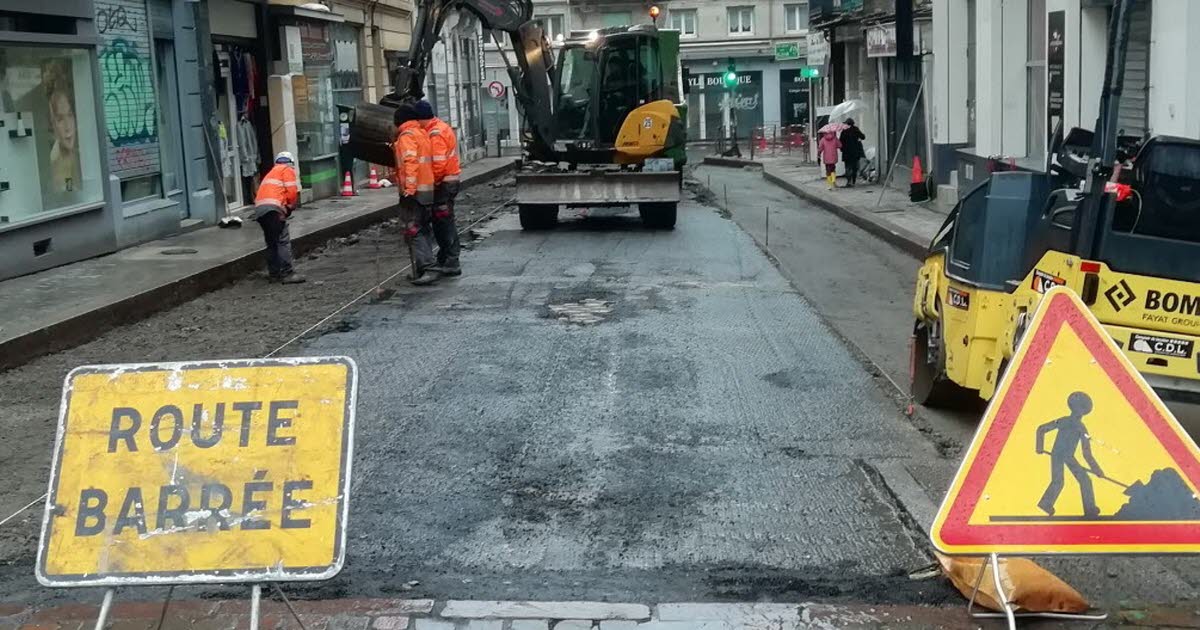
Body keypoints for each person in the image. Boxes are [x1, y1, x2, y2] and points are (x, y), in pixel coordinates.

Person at [1036, 392, 1104, 518]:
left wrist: (1097, 470)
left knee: (1085, 480)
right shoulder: (1064, 421)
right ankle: (1045, 503)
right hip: (1057, 454)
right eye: (1078, 407)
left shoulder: (1081, 428)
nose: (1079, 411)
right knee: (1058, 481)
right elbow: (1041, 429)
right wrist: (1039, 447)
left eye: (1082, 408)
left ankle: (1090, 510)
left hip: (1069, 457)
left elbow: (1086, 452)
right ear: (1072, 407)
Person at [414, 100, 462, 277]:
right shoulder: (440, 127)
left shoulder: (435, 133)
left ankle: (451, 261)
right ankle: (445, 258)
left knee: (444, 222)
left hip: (443, 183)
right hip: (448, 182)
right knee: (442, 221)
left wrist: (430, 183)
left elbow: (438, 163)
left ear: (421, 118)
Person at [393, 103, 437, 285]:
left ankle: (427, 267)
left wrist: (409, 190)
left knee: (414, 229)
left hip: (415, 192)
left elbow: (410, 163)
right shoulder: (422, 133)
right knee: (423, 228)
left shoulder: (407, 136)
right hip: (427, 190)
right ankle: (423, 268)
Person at [253, 152, 305, 284]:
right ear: (291, 163)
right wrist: (290, 206)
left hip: (260, 210)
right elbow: (292, 192)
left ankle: (274, 273)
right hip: (274, 209)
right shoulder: (287, 170)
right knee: (282, 240)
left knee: (271, 242)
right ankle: (288, 273)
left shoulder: (271, 173)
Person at [839, 119, 866, 188]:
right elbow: (863, 137)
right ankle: (853, 181)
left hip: (846, 153)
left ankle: (849, 181)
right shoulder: (856, 129)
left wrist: (842, 149)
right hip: (855, 152)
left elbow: (840, 141)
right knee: (854, 167)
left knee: (848, 167)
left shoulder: (844, 131)